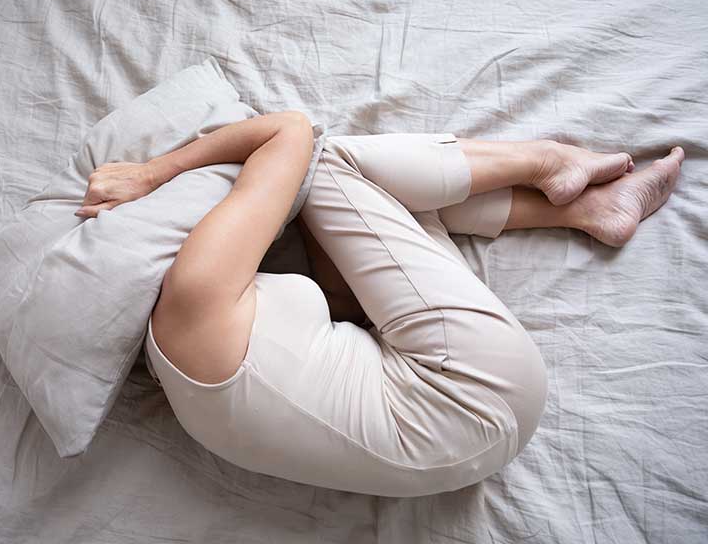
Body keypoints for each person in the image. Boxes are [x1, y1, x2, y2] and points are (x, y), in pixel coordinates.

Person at [74, 112, 683, 497]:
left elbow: (341, 310)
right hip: (477, 384)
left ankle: (589, 209)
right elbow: (292, 133)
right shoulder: (196, 294)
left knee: (382, 201)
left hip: (455, 456)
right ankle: (550, 158)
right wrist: (156, 172)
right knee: (334, 164)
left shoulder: (185, 368)